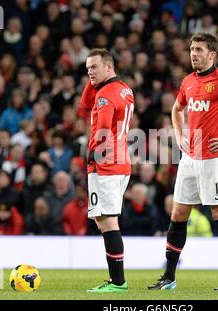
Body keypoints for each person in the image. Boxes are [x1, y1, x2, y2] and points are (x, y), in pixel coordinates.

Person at [148, 33, 218, 291]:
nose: (193, 53)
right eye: (191, 49)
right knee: (178, 214)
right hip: (190, 158)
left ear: (212, 54)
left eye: (199, 49)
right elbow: (176, 109)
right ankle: (168, 277)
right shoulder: (188, 82)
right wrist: (179, 135)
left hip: (215, 160)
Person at [83, 49, 134, 293]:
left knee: (107, 220)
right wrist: (94, 81)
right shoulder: (124, 89)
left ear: (109, 67)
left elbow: (102, 126)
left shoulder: (104, 96)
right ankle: (117, 280)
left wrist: (96, 154)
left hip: (106, 164)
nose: (90, 72)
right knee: (104, 219)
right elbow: (85, 103)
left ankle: (118, 282)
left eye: (94, 67)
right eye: (87, 68)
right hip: (121, 161)